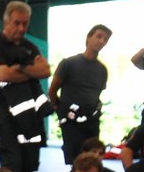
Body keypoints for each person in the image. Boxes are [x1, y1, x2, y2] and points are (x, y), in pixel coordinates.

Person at [0, 0, 51, 172]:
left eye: (25, 23)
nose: (21, 28)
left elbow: (45, 71)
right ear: (6, 22)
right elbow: (2, 74)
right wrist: (30, 70)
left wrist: (18, 69)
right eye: (17, 23)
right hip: (4, 115)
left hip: (29, 117)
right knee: (12, 167)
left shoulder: (30, 47)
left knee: (28, 165)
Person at [48, 24, 112, 164]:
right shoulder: (68, 63)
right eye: (99, 36)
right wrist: (60, 109)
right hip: (71, 121)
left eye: (105, 39)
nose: (102, 41)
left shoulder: (102, 70)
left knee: (92, 160)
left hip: (91, 121)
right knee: (76, 160)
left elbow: (97, 94)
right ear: (88, 38)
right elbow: (53, 90)